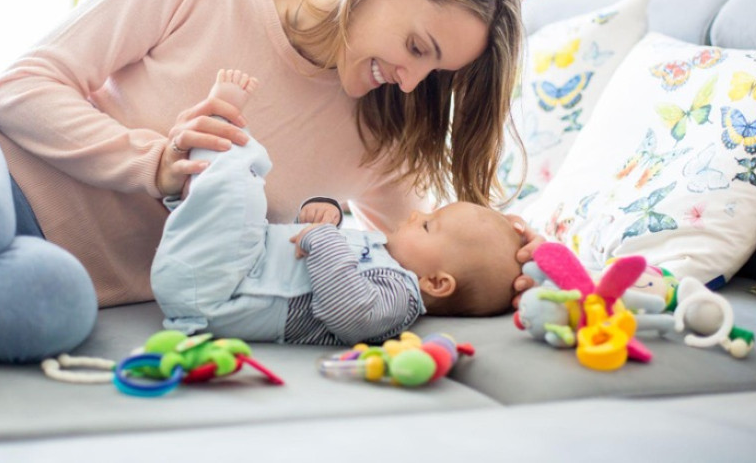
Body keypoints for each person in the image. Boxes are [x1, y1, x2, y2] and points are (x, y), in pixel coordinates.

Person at [0, 0, 524, 362]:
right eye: (417, 44)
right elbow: (22, 85)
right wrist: (157, 165)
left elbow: (450, 260)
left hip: (39, 258)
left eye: (435, 69)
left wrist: (532, 275)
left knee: (58, 303)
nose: (410, 80)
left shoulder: (381, 139)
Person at [152, 69, 525, 345]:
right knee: (240, 187)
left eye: (428, 225)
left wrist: (323, 239)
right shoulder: (381, 252)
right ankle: (203, 167)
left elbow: (349, 314)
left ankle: (219, 125)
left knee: (237, 187)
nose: (415, 214)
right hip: (234, 266)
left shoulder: (401, 295)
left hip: (225, 290)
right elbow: (302, 253)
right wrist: (319, 214)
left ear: (437, 283)